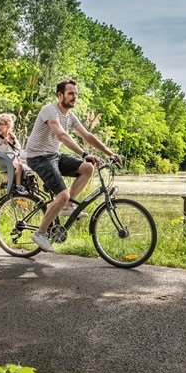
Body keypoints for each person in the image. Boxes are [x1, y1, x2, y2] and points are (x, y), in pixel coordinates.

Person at [24, 79, 121, 252]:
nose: (74, 97)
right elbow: (61, 135)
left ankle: (67, 206)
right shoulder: (50, 110)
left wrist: (110, 153)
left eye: (75, 94)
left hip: (53, 155)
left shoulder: (70, 116)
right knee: (62, 195)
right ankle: (40, 233)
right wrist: (85, 154)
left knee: (87, 168)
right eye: (70, 93)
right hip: (38, 157)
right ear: (60, 95)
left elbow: (88, 136)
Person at [0, 112, 28, 195]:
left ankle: (26, 182)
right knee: (19, 166)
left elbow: (18, 147)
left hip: (14, 157)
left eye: (0, 124)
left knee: (30, 161)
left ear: (8, 126)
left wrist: (14, 141)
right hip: (6, 160)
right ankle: (18, 186)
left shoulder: (11, 135)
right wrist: (4, 143)